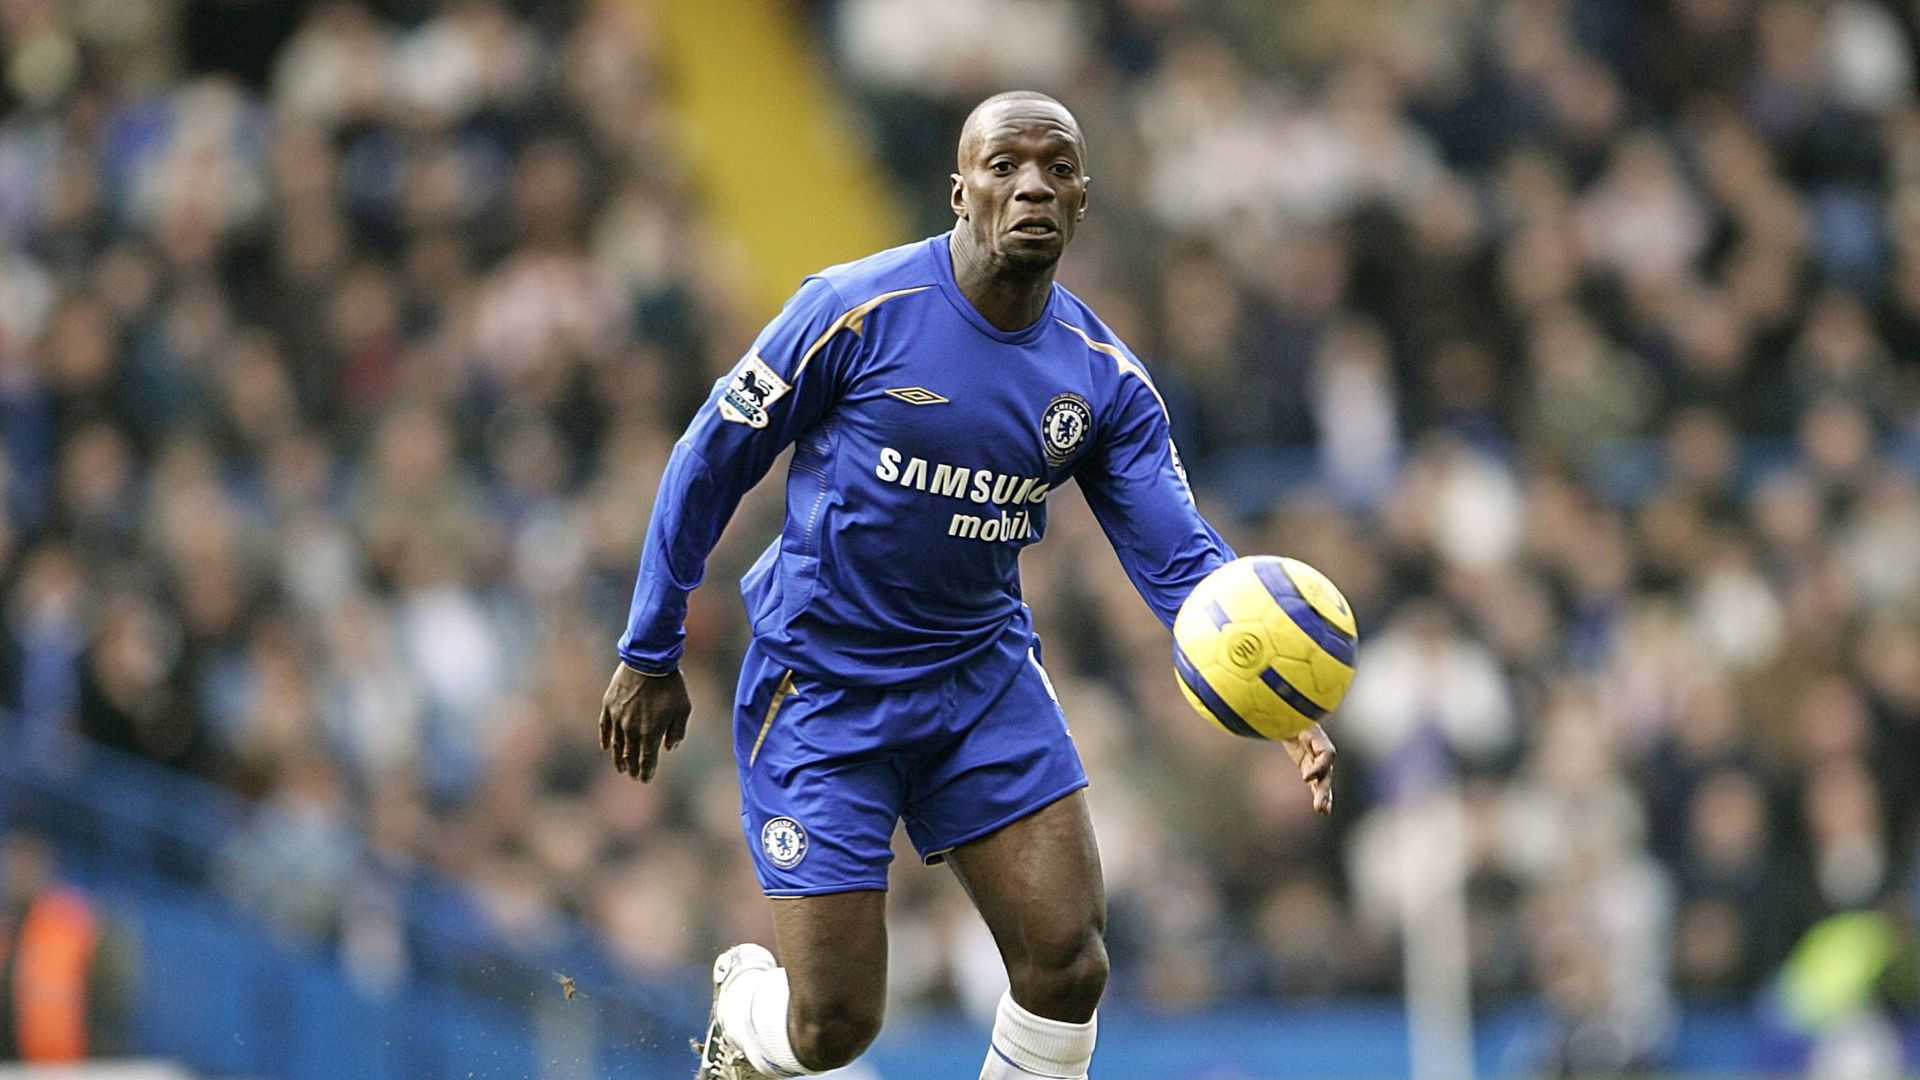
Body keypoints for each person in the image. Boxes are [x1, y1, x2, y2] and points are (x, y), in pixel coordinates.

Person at [600, 91, 1337, 1080]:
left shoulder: (1103, 380)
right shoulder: (852, 311)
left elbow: (1177, 557)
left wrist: (1280, 693)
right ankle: (745, 1012)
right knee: (834, 1031)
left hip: (977, 682)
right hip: (821, 687)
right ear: (960, 191)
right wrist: (650, 648)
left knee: (1069, 964)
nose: (1031, 183)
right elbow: (707, 461)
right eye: (1005, 165)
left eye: (1056, 168)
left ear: (1082, 200)